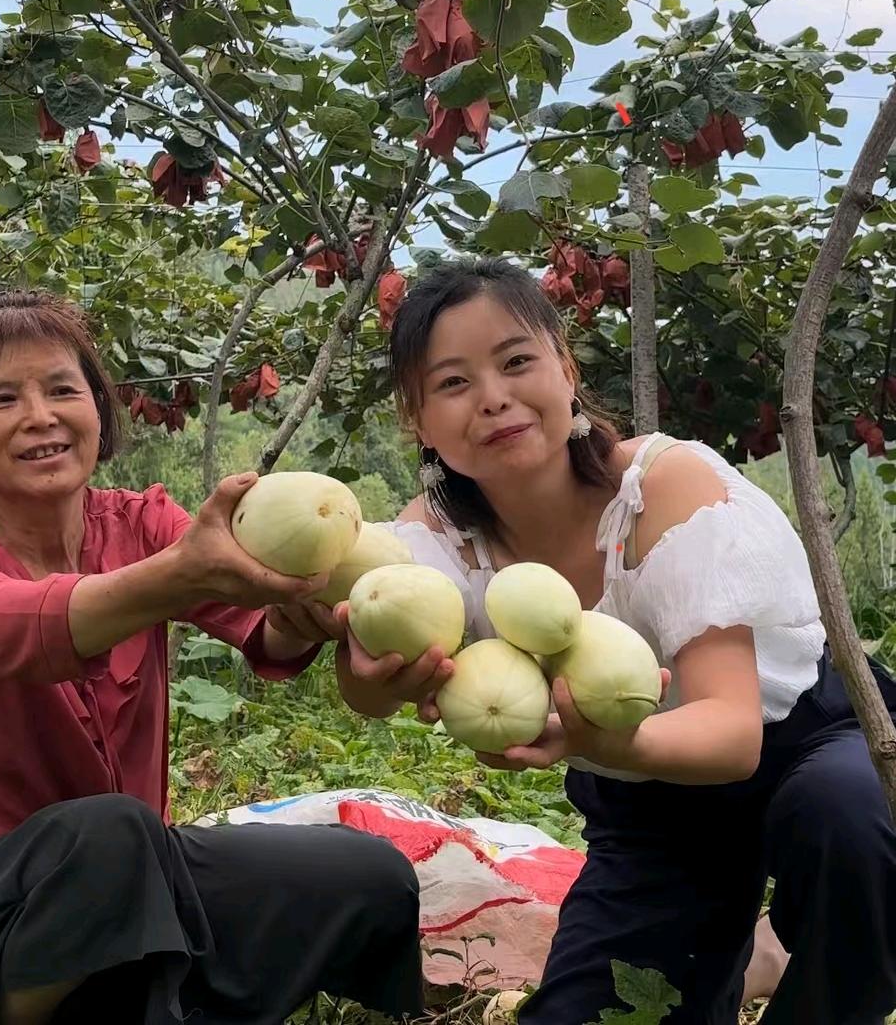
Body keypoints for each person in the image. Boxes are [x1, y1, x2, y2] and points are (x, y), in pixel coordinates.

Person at [289, 257, 896, 1024]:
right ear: (418, 420)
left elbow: (734, 734)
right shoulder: (438, 543)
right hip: (649, 804)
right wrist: (367, 663)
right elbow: (372, 686)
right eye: (453, 382)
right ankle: (746, 956)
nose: (494, 397)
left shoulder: (664, 489)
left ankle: (804, 974)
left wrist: (601, 743)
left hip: (803, 738)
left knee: (850, 816)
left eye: (516, 362)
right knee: (592, 1011)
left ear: (566, 369)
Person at [0, 290, 423, 1025]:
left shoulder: (143, 524)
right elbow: (15, 627)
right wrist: (179, 576)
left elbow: (261, 629)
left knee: (372, 877)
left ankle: (136, 985)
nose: (40, 416)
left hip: (141, 873)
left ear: (98, 410)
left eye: (62, 389)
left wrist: (302, 615)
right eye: (2, 399)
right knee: (110, 832)